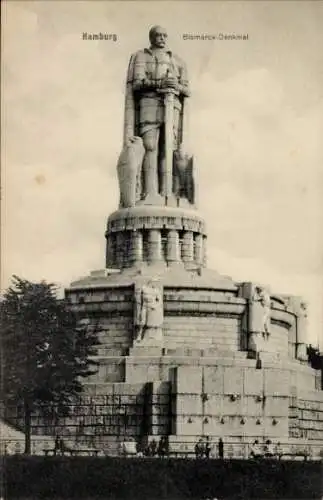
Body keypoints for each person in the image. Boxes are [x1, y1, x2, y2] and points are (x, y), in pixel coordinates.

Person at [124, 25, 190, 200]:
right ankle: (150, 192)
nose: (162, 38)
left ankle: (168, 192)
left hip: (172, 108)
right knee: (150, 147)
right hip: (149, 107)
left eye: (164, 35)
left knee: (169, 149)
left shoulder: (177, 61)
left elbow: (187, 90)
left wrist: (177, 86)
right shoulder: (141, 56)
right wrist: (159, 83)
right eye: (158, 35)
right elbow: (137, 84)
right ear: (151, 37)